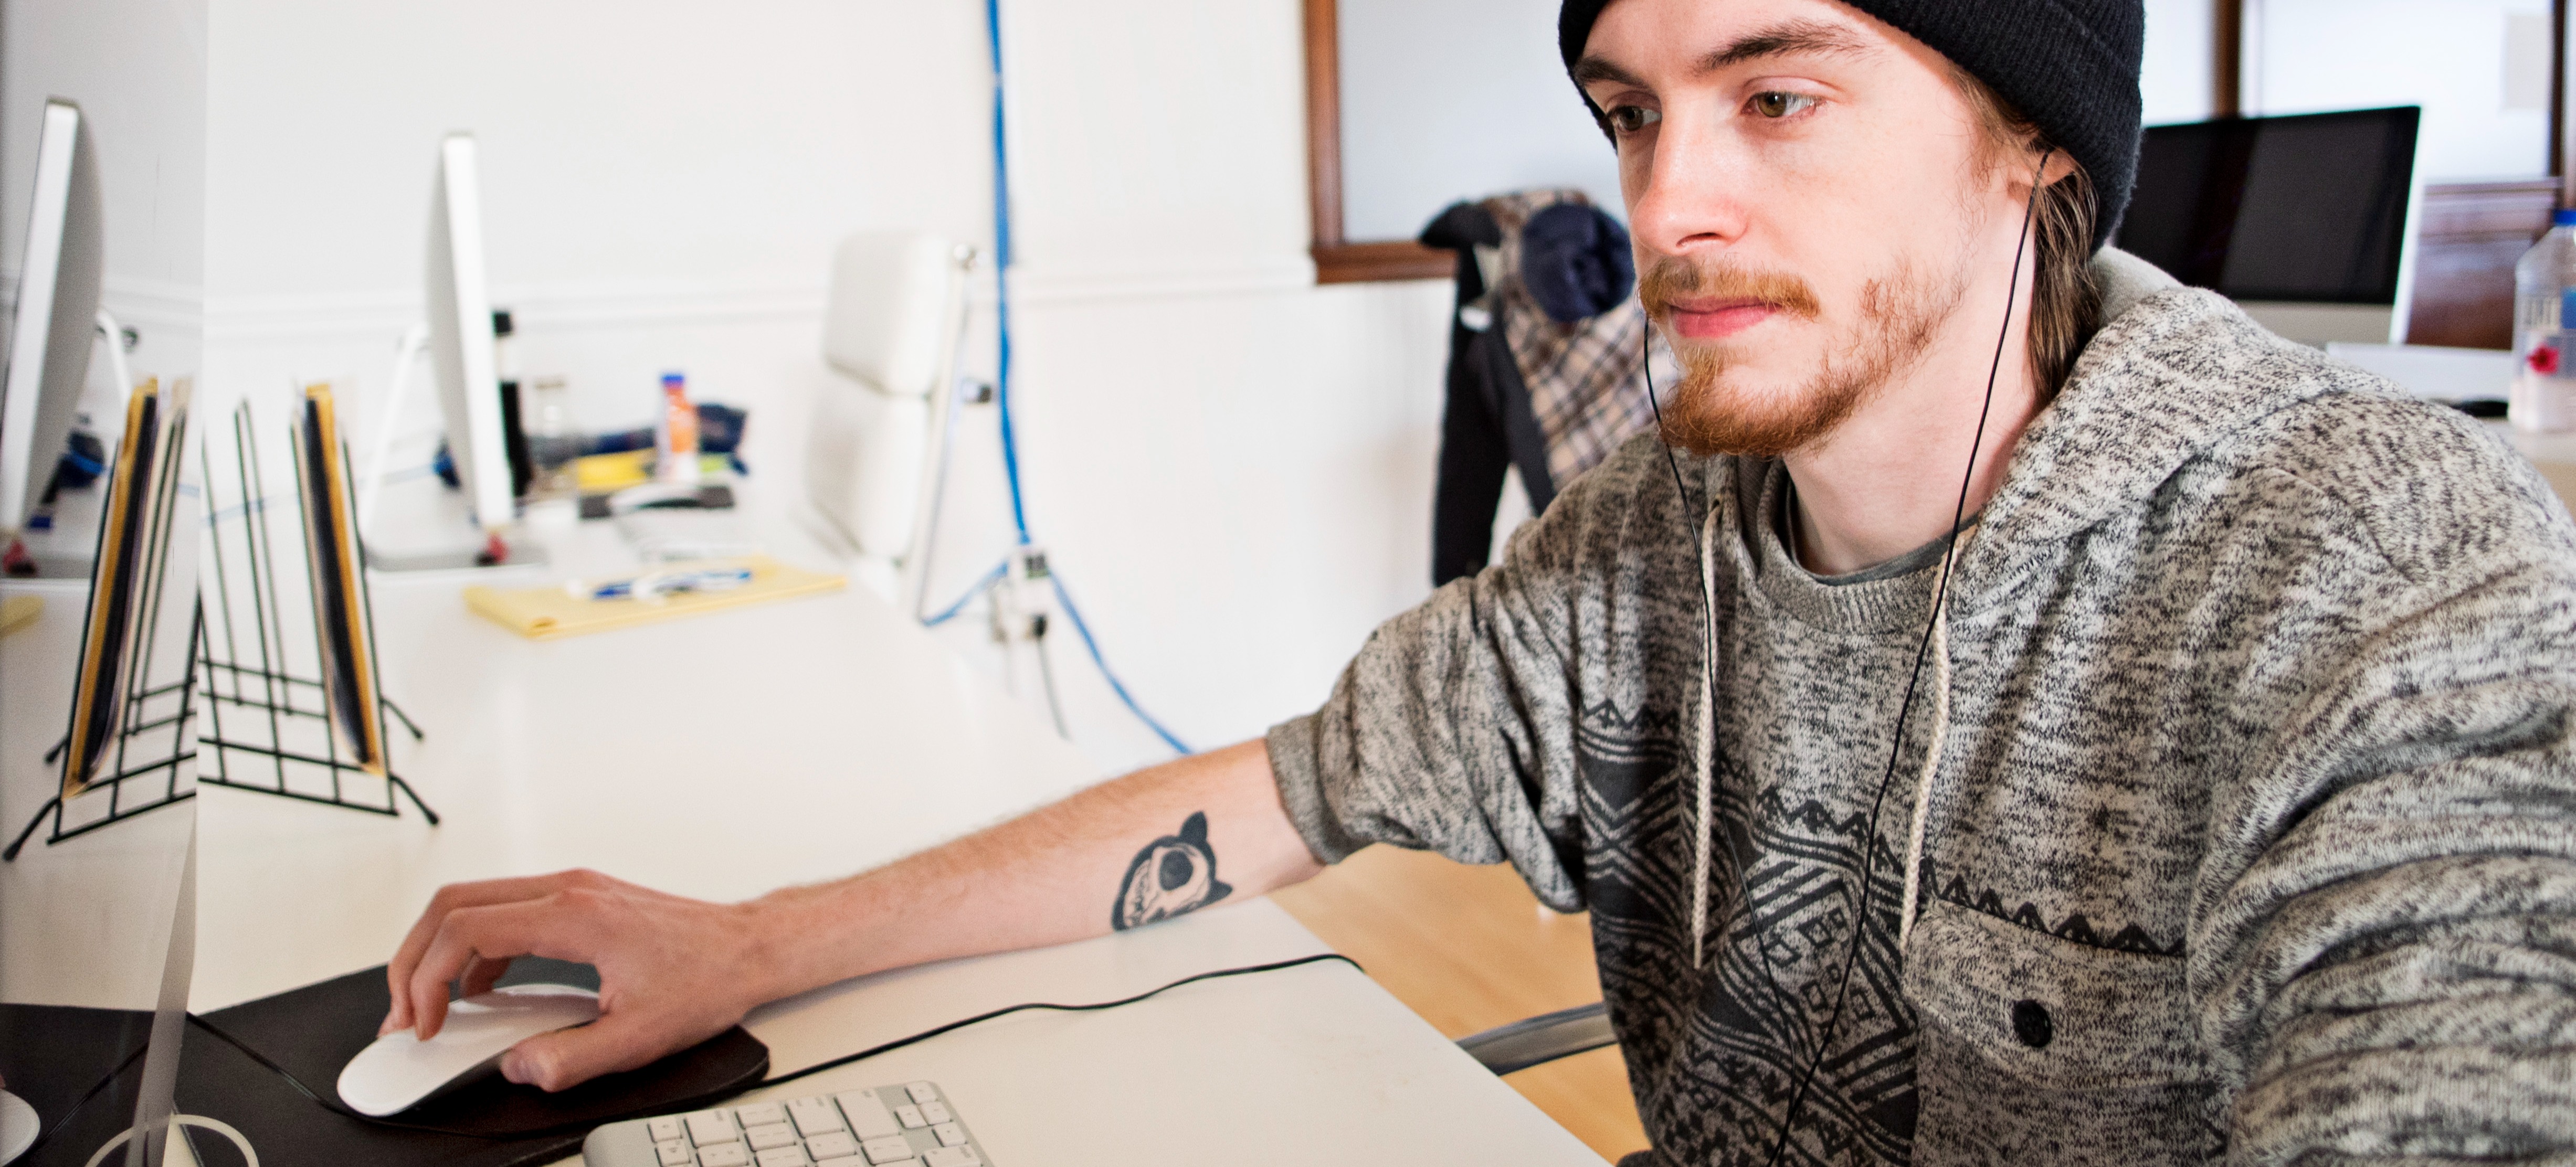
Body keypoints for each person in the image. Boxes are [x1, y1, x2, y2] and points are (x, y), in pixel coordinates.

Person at [384, 0, 2576, 1162]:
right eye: (1633, 108)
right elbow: (1277, 793)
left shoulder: (2379, 583)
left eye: (1778, 94)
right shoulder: (1645, 548)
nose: (1663, 202)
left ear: (2034, 145)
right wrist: (744, 944)